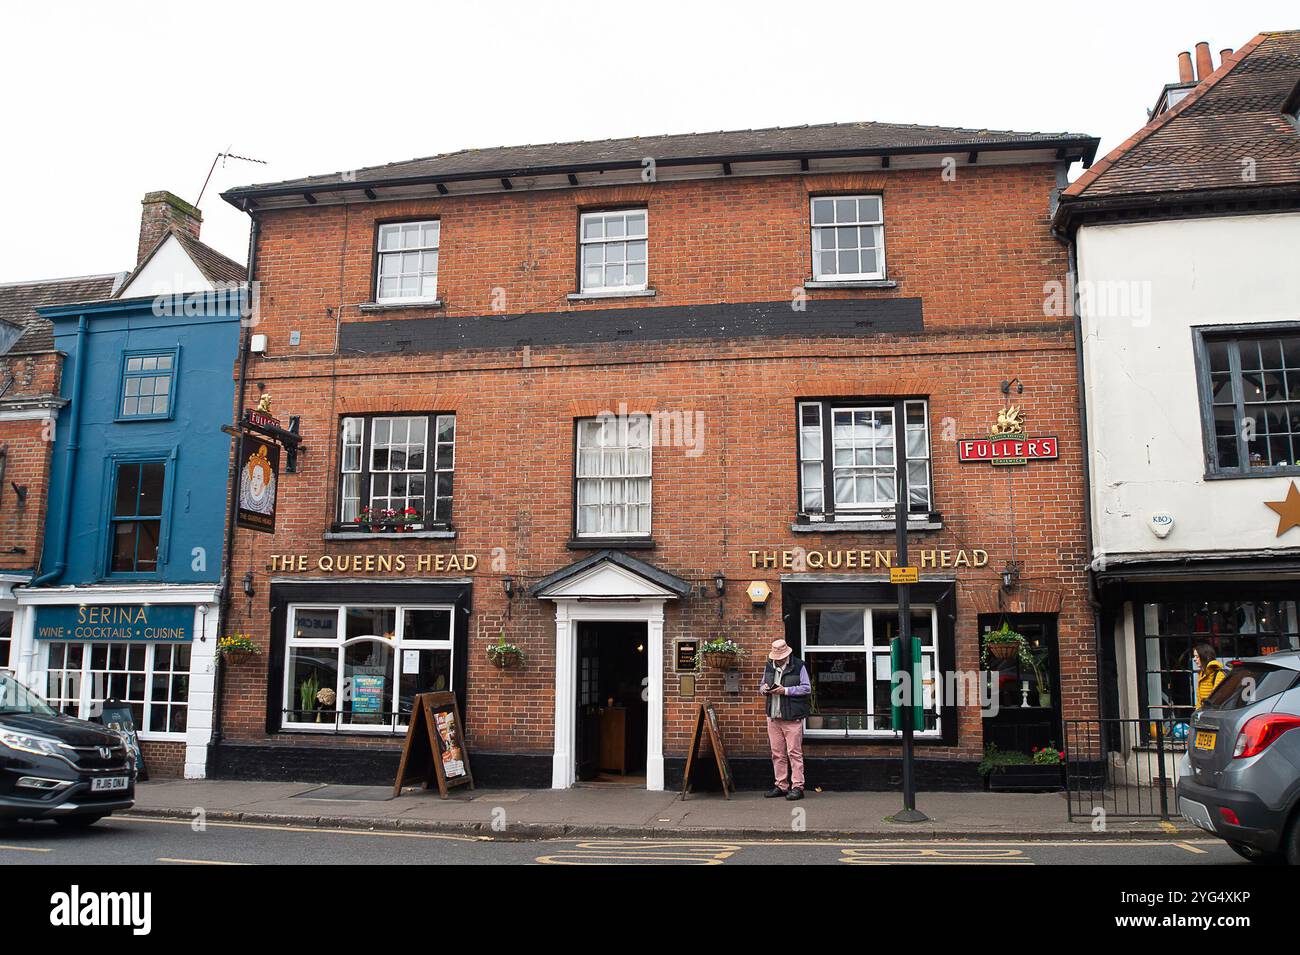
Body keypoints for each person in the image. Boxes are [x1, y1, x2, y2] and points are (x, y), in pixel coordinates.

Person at [759, 639, 811, 800]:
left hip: (792, 717)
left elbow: (806, 688)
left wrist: (785, 691)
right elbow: (761, 685)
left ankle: (797, 787)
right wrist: (764, 689)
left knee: (794, 753)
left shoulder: (799, 665)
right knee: (777, 753)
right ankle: (781, 785)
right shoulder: (769, 665)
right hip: (773, 717)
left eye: (779, 656)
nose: (777, 659)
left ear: (786, 654)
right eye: (775, 656)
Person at [1194, 643, 1226, 708]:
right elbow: (1199, 699)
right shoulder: (1201, 673)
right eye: (1194, 656)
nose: (1194, 659)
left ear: (1205, 657)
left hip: (1213, 713)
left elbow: (1217, 698)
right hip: (1203, 713)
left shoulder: (1218, 674)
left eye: (1197, 657)